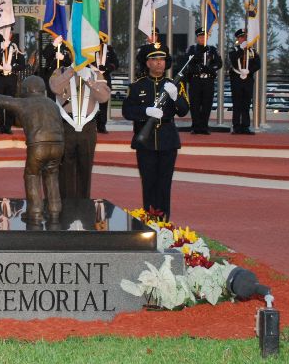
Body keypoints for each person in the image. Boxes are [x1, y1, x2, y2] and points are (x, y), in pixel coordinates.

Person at [0, 76, 64, 226]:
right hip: (58, 145)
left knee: (32, 175)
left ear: (27, 90)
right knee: (52, 176)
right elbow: (60, 126)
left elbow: (1, 100)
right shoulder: (52, 104)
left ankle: (34, 212)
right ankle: (54, 210)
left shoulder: (24, 102)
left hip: (38, 146)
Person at [121, 43, 189, 221]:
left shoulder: (174, 85)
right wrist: (145, 112)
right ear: (147, 63)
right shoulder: (137, 86)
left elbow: (183, 110)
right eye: (155, 59)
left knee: (164, 184)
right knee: (148, 182)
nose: (159, 63)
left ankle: (164, 222)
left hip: (167, 139)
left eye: (162, 59)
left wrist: (175, 97)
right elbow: (127, 111)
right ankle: (149, 221)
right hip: (146, 140)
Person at [49, 58, 111, 200]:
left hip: (87, 128)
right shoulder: (60, 71)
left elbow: (104, 97)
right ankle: (66, 208)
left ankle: (83, 207)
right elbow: (55, 88)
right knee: (64, 171)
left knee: (85, 169)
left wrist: (90, 80)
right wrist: (71, 71)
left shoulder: (95, 74)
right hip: (66, 126)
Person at [184, 28, 222, 134]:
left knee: (207, 104)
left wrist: (209, 69)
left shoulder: (212, 49)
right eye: (200, 37)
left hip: (207, 80)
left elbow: (219, 63)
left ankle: (204, 126)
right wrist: (198, 66)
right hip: (195, 80)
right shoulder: (192, 49)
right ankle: (196, 126)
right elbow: (188, 62)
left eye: (204, 36)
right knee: (195, 104)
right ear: (197, 37)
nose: (202, 38)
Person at [0, 32, 26, 134]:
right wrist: (1, 49)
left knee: (10, 102)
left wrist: (12, 67)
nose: (7, 34)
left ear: (10, 35)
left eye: (9, 32)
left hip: (11, 78)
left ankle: (8, 126)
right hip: (0, 78)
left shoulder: (15, 47)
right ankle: (0, 126)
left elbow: (22, 64)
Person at [227, 28, 259, 135]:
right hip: (237, 79)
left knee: (246, 103)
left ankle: (245, 126)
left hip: (248, 79)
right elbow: (233, 60)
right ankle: (236, 126)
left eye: (245, 37)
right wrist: (241, 49)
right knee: (237, 103)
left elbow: (257, 64)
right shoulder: (234, 50)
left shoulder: (252, 51)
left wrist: (249, 70)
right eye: (241, 37)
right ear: (238, 39)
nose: (244, 39)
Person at [95, 38, 119, 133]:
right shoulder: (89, 48)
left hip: (104, 78)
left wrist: (108, 68)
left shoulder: (108, 49)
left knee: (103, 104)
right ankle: (90, 125)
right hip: (91, 78)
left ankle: (101, 125)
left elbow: (116, 63)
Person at [38, 33, 72, 100]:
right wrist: (55, 44)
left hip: (64, 76)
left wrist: (63, 58)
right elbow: (45, 54)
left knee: (62, 98)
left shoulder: (68, 47)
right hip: (51, 76)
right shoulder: (51, 46)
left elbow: (72, 62)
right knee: (51, 98)